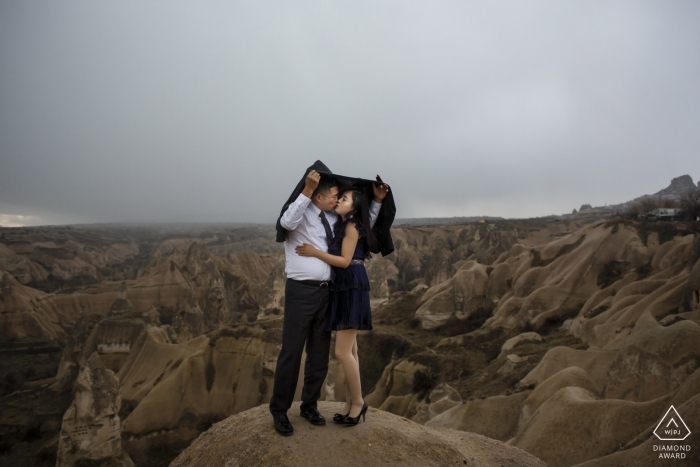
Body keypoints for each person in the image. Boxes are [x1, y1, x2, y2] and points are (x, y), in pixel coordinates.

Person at [269, 161, 388, 436]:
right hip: (301, 291)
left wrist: (378, 202)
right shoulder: (300, 214)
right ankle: (279, 411)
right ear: (318, 196)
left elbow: (360, 223)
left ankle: (309, 405)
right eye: (334, 195)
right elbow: (285, 222)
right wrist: (306, 191)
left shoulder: (335, 217)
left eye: (340, 197)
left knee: (319, 354)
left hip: (328, 292)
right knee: (291, 352)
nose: (337, 200)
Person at [295, 185, 389, 426]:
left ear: (354, 207)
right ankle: (350, 403)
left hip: (350, 285)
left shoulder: (350, 225)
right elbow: (367, 218)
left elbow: (345, 261)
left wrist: (315, 252)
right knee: (352, 350)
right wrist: (377, 200)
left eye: (344, 199)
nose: (338, 201)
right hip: (347, 285)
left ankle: (358, 403)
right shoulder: (348, 222)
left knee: (342, 352)